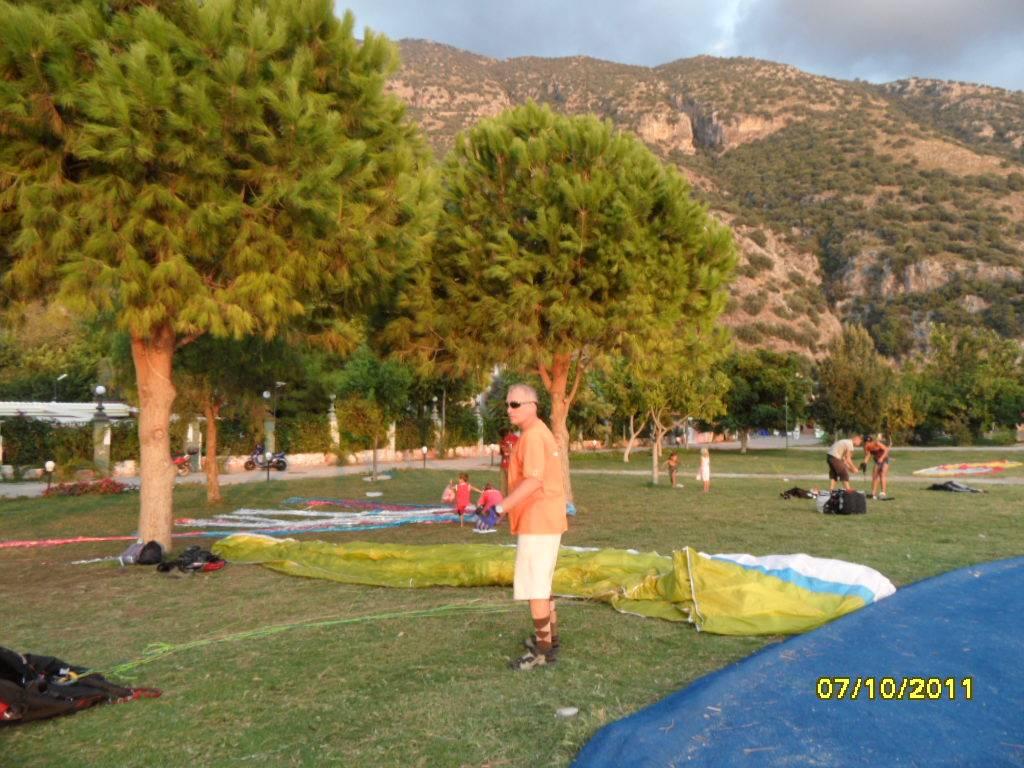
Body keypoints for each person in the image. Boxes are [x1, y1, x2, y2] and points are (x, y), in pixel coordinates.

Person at [492, 384, 567, 671]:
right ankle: (551, 639)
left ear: (532, 406)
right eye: (508, 404)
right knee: (542, 584)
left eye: (515, 404)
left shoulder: (534, 436)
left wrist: (501, 507)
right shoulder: (537, 432)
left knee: (535, 586)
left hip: (539, 522)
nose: (509, 409)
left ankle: (542, 651)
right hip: (544, 519)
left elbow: (534, 481)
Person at [863, 433, 891, 499]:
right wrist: (865, 462)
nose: (867, 444)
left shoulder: (877, 443)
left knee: (882, 475)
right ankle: (873, 494)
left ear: (871, 441)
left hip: (885, 460)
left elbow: (886, 450)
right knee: (874, 476)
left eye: (869, 442)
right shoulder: (866, 447)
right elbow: (868, 455)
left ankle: (883, 493)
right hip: (877, 461)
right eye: (866, 442)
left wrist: (881, 458)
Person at [498, 427, 519, 495]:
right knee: (512, 485)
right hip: (513, 465)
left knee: (503, 486)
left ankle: (505, 499)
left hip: (504, 464)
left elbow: (502, 453)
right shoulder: (518, 439)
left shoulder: (502, 440)